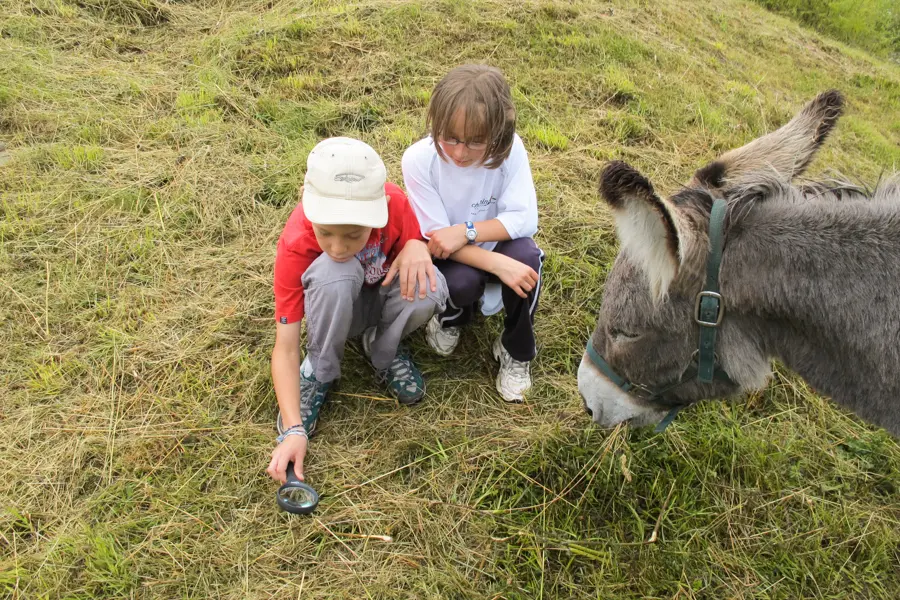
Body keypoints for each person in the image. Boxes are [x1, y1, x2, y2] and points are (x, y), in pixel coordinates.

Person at [267, 137, 448, 484]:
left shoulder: (395, 203)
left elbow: (417, 237)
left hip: (380, 301)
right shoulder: (295, 243)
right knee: (336, 269)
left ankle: (383, 349)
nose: (337, 246)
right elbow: (285, 347)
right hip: (336, 307)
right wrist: (293, 428)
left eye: (353, 235)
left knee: (430, 284)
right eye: (325, 233)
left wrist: (416, 246)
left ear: (379, 211)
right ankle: (318, 372)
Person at [401, 64, 543, 403]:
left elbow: (524, 219)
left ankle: (516, 349)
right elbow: (437, 240)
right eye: (450, 137)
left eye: (476, 142)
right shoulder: (418, 161)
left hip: (488, 243)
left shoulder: (511, 150)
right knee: (462, 282)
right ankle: (451, 318)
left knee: (527, 260)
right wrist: (497, 265)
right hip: (452, 257)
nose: (459, 153)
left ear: (499, 133)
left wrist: (466, 231)